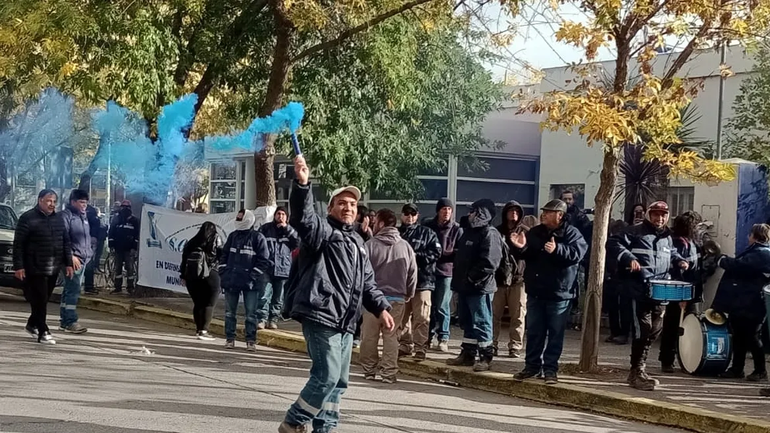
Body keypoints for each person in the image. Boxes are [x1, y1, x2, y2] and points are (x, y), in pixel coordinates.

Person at [279, 155, 394, 433]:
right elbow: (303, 219)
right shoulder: (322, 231)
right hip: (321, 315)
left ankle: (325, 429)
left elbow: (367, 282)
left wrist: (381, 308)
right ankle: (293, 422)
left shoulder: (358, 241)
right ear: (331, 207)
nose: (348, 207)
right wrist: (302, 185)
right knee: (326, 377)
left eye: (353, 204)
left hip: (346, 323)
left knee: (339, 383)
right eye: (342, 203)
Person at [607, 201, 690, 391]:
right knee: (642, 331)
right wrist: (629, 258)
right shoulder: (634, 231)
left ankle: (641, 369)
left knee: (654, 331)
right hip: (638, 290)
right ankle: (635, 371)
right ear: (648, 215)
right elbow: (612, 243)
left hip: (660, 292)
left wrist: (680, 261)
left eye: (663, 215)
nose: (659, 218)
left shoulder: (668, 237)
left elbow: (672, 253)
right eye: (655, 214)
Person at [510, 199, 587, 384]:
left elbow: (578, 254)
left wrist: (557, 249)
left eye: (548, 212)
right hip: (536, 291)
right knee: (535, 331)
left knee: (555, 334)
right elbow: (529, 255)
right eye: (543, 211)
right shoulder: (536, 232)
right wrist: (520, 248)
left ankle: (550, 369)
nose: (543, 214)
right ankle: (531, 367)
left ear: (560, 215)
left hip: (559, 293)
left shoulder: (572, 233)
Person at [446, 198, 503, 372]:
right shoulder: (470, 232)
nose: (469, 214)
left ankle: (485, 356)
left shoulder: (489, 233)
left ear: (481, 213)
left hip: (479, 287)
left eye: (473, 211)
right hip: (465, 287)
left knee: (482, 321)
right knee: (468, 321)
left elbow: (490, 262)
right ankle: (468, 354)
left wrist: (471, 278)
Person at [361, 208, 418, 383]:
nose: (372, 223)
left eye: (375, 221)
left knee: (369, 336)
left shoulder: (369, 245)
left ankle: (369, 370)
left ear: (381, 223)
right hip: (397, 298)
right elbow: (412, 273)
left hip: (372, 299)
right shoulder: (405, 246)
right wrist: (408, 293)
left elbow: (361, 272)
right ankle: (388, 372)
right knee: (391, 336)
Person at [13, 189, 73, 344]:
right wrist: (19, 266)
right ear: (40, 200)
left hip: (53, 266)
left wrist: (68, 263)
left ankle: (32, 323)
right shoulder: (28, 218)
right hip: (35, 266)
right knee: (40, 298)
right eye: (48, 201)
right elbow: (18, 244)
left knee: (43, 299)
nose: (52, 204)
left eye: (54, 201)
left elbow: (66, 242)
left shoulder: (59, 219)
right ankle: (43, 331)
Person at [713, 223, 770, 382]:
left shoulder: (762, 254)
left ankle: (760, 371)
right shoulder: (757, 252)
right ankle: (737, 368)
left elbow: (739, 266)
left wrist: (721, 259)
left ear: (755, 236)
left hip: (752, 304)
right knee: (739, 336)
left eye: (750, 235)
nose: (748, 237)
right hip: (743, 302)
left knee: (752, 337)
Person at [219, 209, 270, 351]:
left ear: (248, 219)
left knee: (251, 314)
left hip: (250, 283)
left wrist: (253, 275)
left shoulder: (258, 237)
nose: (238, 219)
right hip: (232, 280)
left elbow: (264, 260)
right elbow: (224, 255)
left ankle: (251, 341)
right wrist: (223, 271)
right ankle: (230, 339)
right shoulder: (232, 236)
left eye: (241, 218)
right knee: (229, 313)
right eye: (237, 217)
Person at [658, 211, 702, 373]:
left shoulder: (693, 242)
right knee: (673, 326)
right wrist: (683, 296)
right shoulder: (679, 243)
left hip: (692, 290)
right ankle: (667, 360)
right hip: (680, 292)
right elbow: (680, 271)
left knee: (689, 329)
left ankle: (686, 360)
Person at [398, 203, 441, 361]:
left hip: (423, 281)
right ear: (401, 215)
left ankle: (420, 347)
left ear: (417, 216)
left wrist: (415, 257)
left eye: (413, 214)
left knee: (422, 316)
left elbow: (436, 253)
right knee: (402, 316)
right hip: (401, 283)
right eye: (407, 214)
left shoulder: (427, 233)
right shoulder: (396, 234)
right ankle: (404, 344)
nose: (410, 217)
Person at [426, 198, 463, 352]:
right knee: (428, 307)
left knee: (442, 306)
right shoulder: (429, 226)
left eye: (449, 209)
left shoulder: (457, 229)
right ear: (438, 211)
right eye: (444, 209)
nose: (446, 212)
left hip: (446, 272)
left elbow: (458, 253)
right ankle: (428, 337)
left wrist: (442, 254)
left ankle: (444, 337)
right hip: (428, 271)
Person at [493, 201, 528, 358]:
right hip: (498, 280)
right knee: (494, 315)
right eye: (510, 210)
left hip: (518, 280)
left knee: (518, 315)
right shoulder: (497, 232)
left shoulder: (526, 232)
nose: (514, 213)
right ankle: (491, 344)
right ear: (505, 213)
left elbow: (531, 255)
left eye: (516, 211)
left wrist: (521, 247)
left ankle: (515, 346)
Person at [257, 206, 300, 330]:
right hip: (267, 268)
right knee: (264, 295)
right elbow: (258, 244)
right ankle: (262, 319)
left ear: (287, 217)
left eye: (283, 214)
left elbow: (298, 242)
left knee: (278, 297)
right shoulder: (265, 228)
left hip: (283, 269)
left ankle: (273, 320)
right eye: (278, 214)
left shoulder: (291, 231)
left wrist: (286, 229)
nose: (280, 216)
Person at [59, 189, 93, 334]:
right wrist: (70, 257)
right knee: (73, 290)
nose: (84, 205)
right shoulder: (66, 216)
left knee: (69, 289)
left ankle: (64, 321)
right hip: (72, 260)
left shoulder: (83, 217)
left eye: (86, 202)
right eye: (81, 202)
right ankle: (70, 321)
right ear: (73, 202)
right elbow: (63, 238)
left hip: (83, 259)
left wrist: (90, 251)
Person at [181, 222, 222, 341]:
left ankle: (199, 329)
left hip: (192, 277)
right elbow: (222, 256)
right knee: (209, 304)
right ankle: (204, 331)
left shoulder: (192, 242)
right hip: (210, 275)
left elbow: (184, 260)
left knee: (198, 303)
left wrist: (183, 275)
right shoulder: (215, 240)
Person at [604, 219, 632, 345]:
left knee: (621, 308)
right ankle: (617, 333)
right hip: (614, 278)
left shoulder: (625, 245)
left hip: (622, 278)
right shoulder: (612, 244)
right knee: (616, 308)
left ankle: (621, 334)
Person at [108, 200, 140, 294]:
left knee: (130, 268)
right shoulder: (116, 219)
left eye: (127, 207)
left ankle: (130, 287)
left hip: (129, 249)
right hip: (118, 248)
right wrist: (111, 245)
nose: (124, 209)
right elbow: (111, 233)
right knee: (117, 268)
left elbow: (136, 235)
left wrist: (134, 248)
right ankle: (117, 287)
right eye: (123, 207)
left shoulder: (134, 220)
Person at [83, 204, 107, 294]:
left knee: (89, 265)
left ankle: (88, 286)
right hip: (83, 244)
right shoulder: (90, 212)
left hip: (86, 243)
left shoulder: (73, 211)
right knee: (88, 265)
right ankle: (88, 286)